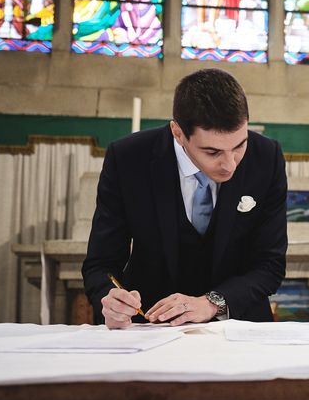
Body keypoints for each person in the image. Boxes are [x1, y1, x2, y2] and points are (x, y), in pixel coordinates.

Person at [82, 68, 288, 328]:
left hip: (239, 326)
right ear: (178, 133)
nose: (230, 165)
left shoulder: (266, 157)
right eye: (212, 151)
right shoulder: (128, 159)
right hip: (151, 327)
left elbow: (270, 265)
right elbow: (101, 264)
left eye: (239, 146)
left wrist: (212, 303)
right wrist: (109, 299)